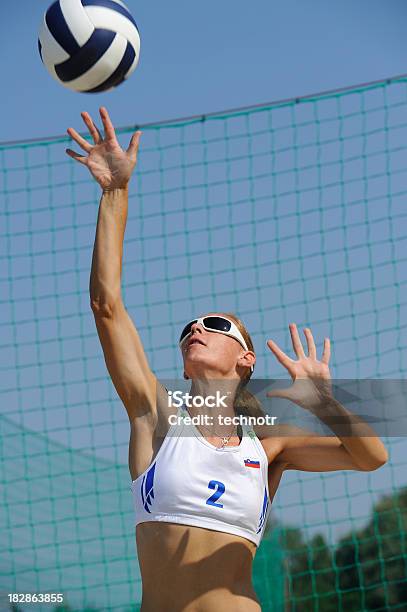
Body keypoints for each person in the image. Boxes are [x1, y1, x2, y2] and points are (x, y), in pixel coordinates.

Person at [66, 107, 389, 612]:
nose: (196, 328)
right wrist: (114, 192)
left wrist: (326, 400)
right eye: (189, 327)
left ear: (246, 360)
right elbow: (106, 306)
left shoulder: (271, 446)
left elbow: (372, 458)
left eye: (215, 326)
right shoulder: (156, 415)